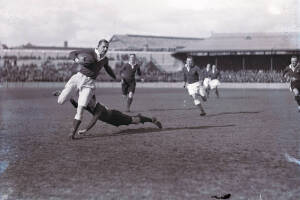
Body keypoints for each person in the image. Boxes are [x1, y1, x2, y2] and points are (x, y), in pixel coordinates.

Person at [55, 39, 116, 139]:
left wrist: (114, 76)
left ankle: (72, 133)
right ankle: (63, 94)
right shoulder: (89, 52)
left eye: (107, 47)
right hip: (78, 78)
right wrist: (77, 60)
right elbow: (72, 53)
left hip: (89, 84)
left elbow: (107, 67)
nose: (105, 49)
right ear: (98, 46)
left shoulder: (105, 59)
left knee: (81, 107)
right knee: (60, 101)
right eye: (103, 47)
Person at [68, 95, 162, 137]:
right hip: (112, 121)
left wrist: (85, 129)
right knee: (133, 121)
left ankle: (152, 120)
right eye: (87, 101)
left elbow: (94, 119)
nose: (88, 103)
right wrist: (70, 99)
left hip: (116, 116)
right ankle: (139, 117)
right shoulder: (89, 106)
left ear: (94, 100)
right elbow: (78, 106)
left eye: (90, 101)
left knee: (134, 120)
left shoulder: (99, 107)